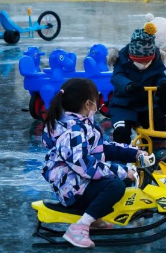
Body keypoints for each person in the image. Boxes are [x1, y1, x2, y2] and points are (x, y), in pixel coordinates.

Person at [42, 78, 144, 249]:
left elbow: (103, 147)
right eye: (97, 100)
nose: (99, 104)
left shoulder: (83, 125)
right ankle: (79, 227)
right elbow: (85, 166)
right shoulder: (73, 132)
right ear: (88, 104)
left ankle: (94, 219)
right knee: (115, 186)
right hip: (72, 189)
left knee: (122, 179)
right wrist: (121, 171)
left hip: (79, 182)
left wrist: (134, 153)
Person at [109, 19, 166, 146]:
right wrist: (129, 85)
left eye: (146, 61)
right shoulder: (122, 60)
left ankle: (158, 148)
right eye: (139, 61)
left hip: (147, 104)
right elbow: (117, 77)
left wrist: (163, 83)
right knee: (121, 131)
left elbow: (160, 75)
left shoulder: (156, 61)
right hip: (124, 105)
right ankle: (122, 152)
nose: (143, 65)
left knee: (158, 120)